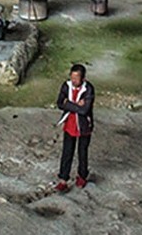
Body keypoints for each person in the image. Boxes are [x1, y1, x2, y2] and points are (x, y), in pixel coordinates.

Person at [55, 63, 94, 192]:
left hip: (83, 126)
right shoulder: (66, 86)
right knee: (67, 152)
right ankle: (63, 179)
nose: (73, 81)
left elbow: (84, 110)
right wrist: (76, 105)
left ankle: (82, 176)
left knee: (82, 152)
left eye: (76, 79)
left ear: (83, 79)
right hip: (70, 124)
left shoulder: (89, 89)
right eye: (72, 78)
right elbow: (60, 103)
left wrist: (69, 104)